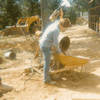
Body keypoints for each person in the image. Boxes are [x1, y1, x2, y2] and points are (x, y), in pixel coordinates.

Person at [39, 18, 71, 84]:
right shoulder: (56, 30)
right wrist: (60, 52)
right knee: (47, 62)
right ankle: (46, 80)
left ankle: (46, 75)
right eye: (65, 28)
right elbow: (55, 44)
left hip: (43, 42)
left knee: (47, 60)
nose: (64, 29)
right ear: (62, 26)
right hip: (45, 45)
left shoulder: (55, 24)